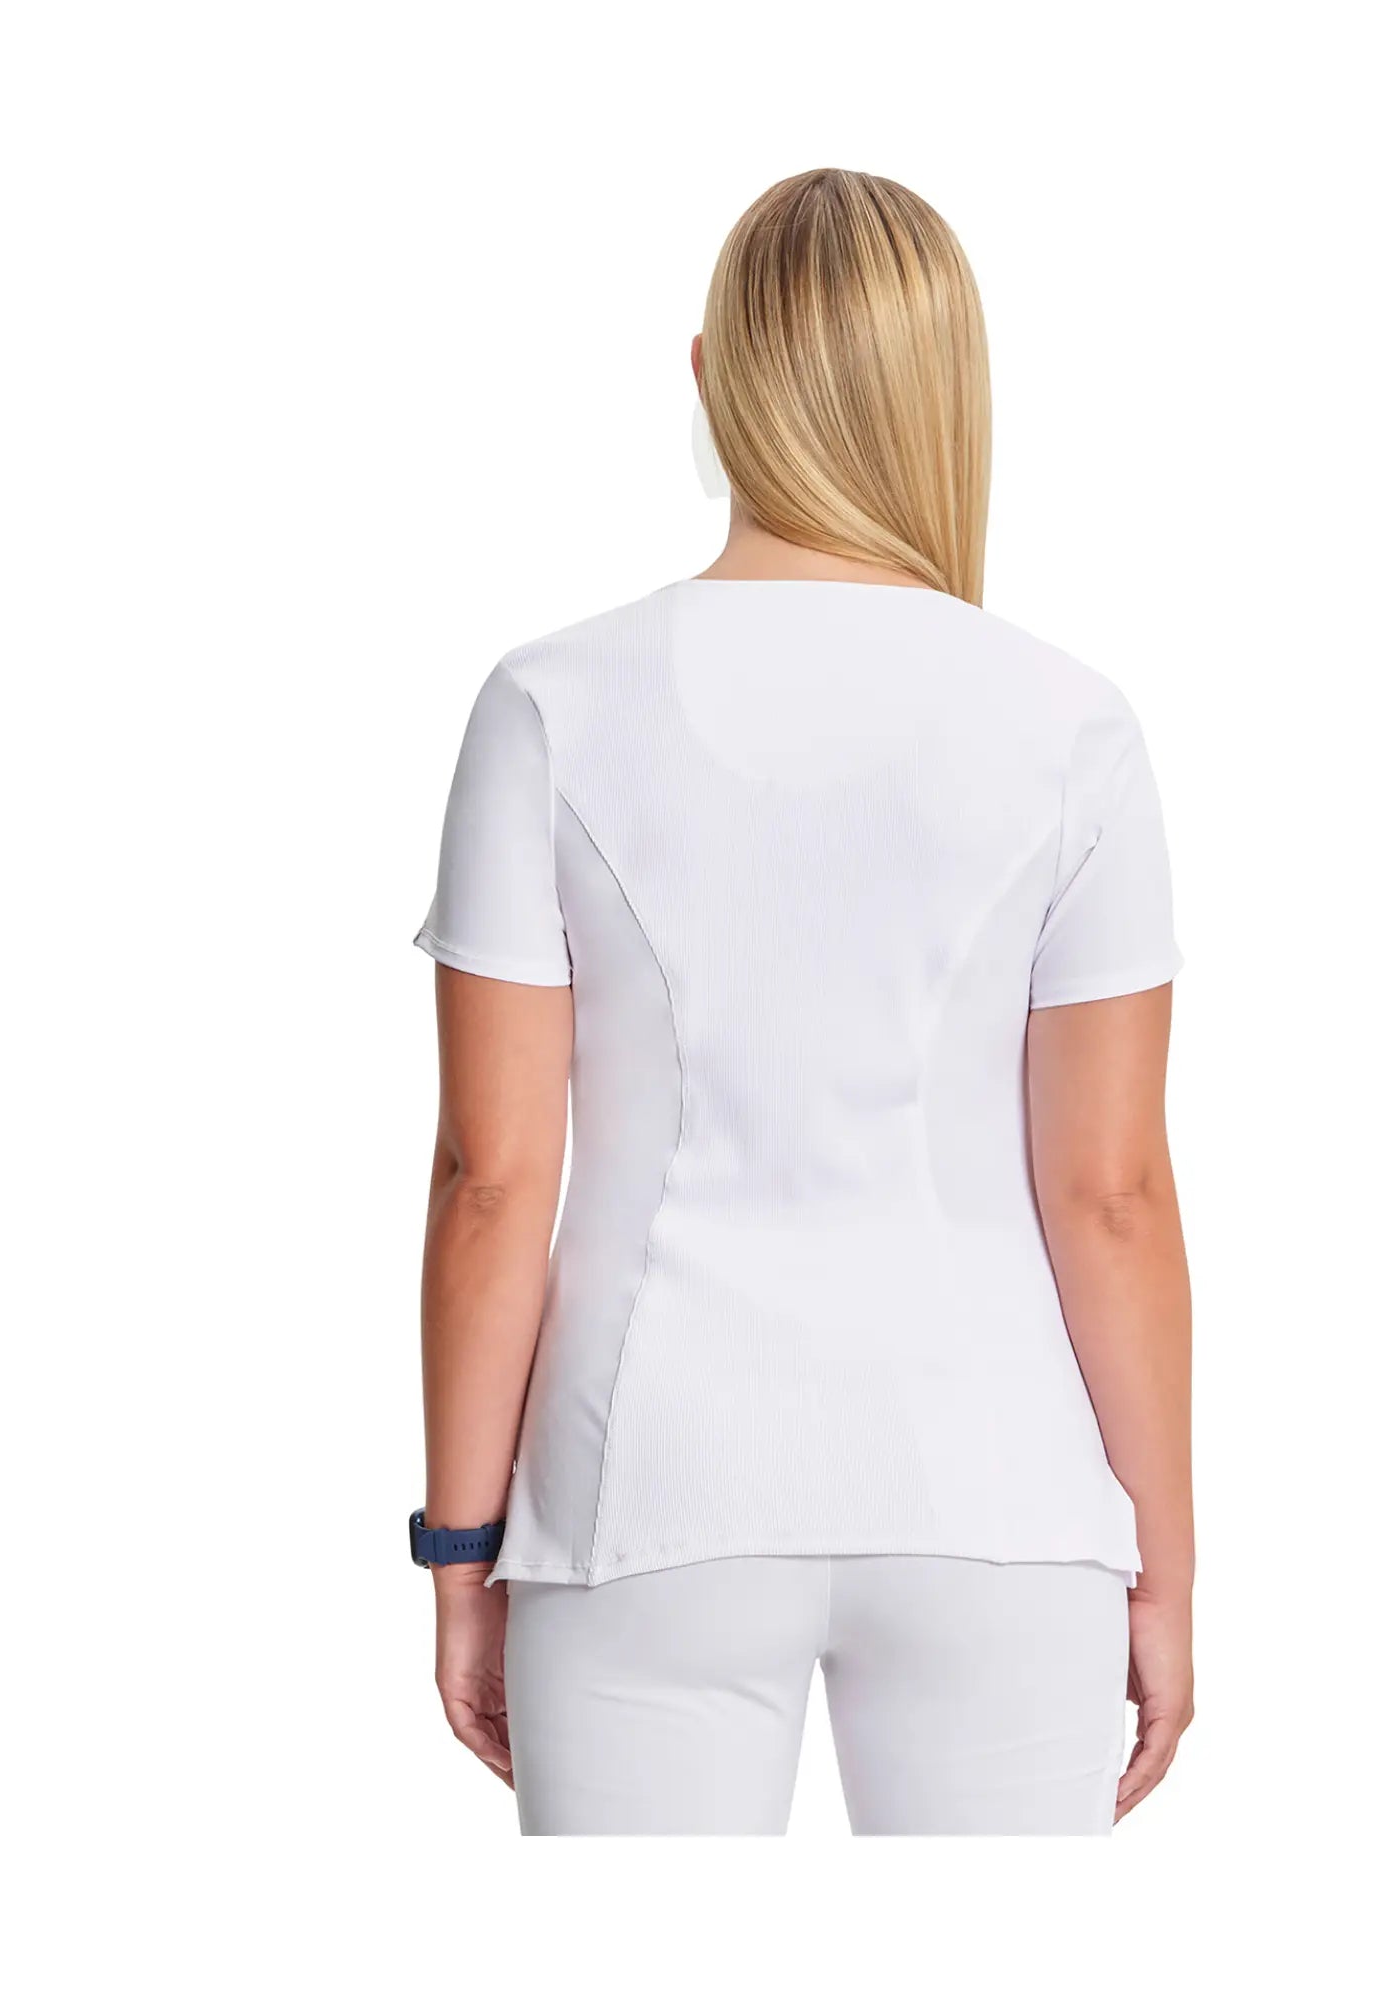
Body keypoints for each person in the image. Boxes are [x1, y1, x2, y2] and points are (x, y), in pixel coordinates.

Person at [412, 167, 1193, 1836]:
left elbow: (492, 1179)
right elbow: (1111, 1194)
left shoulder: (548, 704)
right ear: (951, 392)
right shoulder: (1073, 727)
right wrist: (1167, 1569)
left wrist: (462, 1549)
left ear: (711, 378)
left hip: (646, 1488)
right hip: (997, 1493)